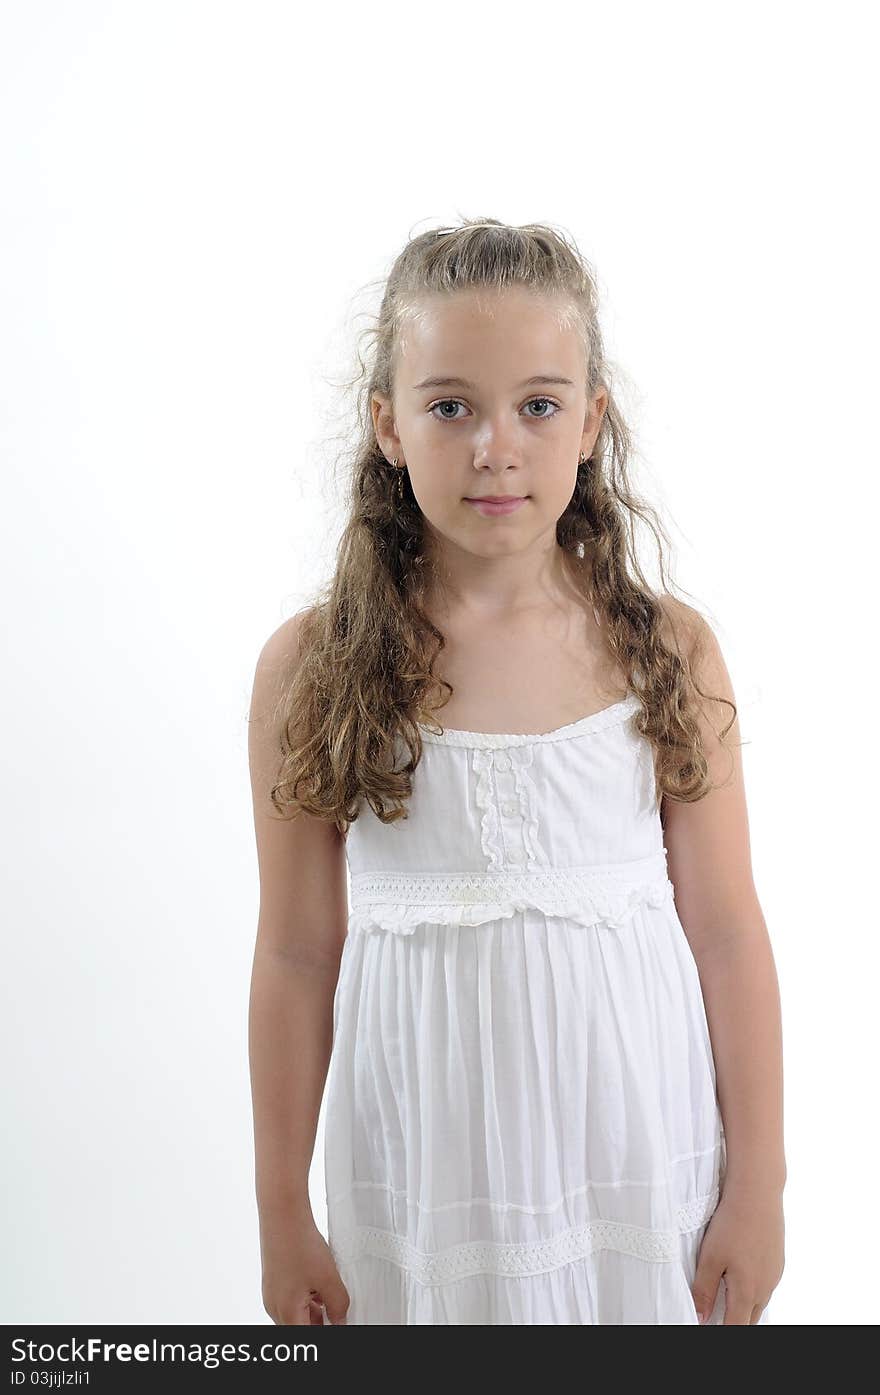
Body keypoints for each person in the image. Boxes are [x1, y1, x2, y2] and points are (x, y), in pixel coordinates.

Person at [247, 218, 786, 1325]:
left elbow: (726, 930)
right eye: (451, 406)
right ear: (387, 425)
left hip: (634, 1158)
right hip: (422, 1170)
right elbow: (298, 954)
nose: (496, 445)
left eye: (538, 405)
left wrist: (761, 1187)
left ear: (590, 421)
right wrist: (280, 1213)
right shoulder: (315, 665)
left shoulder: (665, 649)